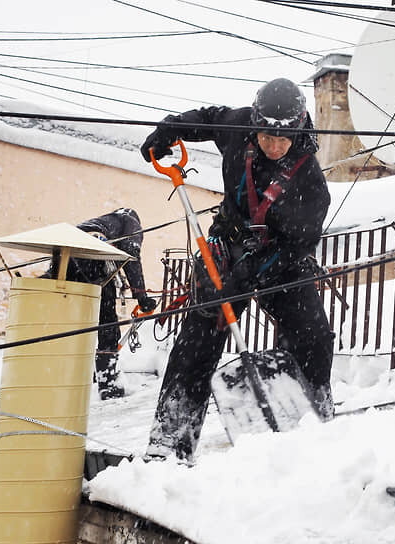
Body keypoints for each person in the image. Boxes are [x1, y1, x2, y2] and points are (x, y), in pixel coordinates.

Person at [139, 77, 335, 462]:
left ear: (298, 129)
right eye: (266, 136)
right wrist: (171, 129)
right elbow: (210, 119)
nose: (274, 146)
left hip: (283, 262)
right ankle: (170, 438)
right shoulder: (238, 127)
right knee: (199, 334)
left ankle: (316, 419)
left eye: (284, 139)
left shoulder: (310, 183)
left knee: (312, 335)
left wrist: (242, 281)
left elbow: (296, 247)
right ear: (255, 124)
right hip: (228, 244)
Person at [44, 208, 157, 400]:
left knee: (72, 320)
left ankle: (62, 375)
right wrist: (142, 298)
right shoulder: (131, 224)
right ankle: (108, 384)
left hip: (65, 252)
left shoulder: (104, 222)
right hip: (92, 255)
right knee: (108, 324)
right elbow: (132, 259)